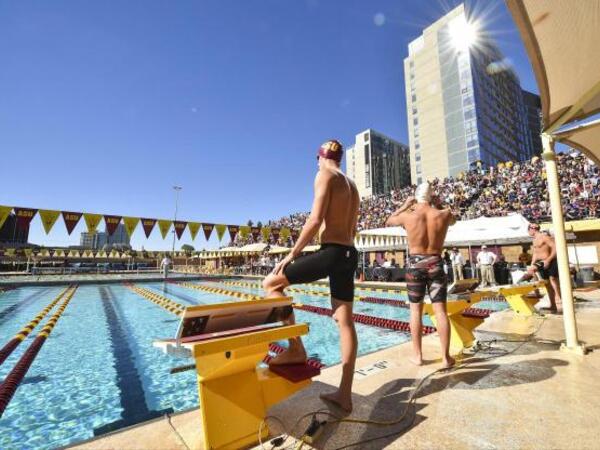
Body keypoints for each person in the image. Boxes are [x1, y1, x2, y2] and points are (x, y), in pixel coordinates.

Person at [262, 139, 360, 412]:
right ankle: (344, 394)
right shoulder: (352, 186)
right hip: (349, 254)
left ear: (319, 157)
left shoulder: (324, 175)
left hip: (331, 252)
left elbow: (315, 219)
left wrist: (292, 254)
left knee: (271, 283)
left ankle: (295, 349)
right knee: (345, 322)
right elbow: (350, 228)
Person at [385, 182, 455, 369]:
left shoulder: (409, 216)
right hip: (435, 263)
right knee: (440, 311)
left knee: (415, 310)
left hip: (415, 265)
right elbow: (453, 220)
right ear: (431, 196)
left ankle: (417, 356)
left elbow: (389, 220)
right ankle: (446, 357)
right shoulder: (444, 214)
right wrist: (438, 204)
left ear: (416, 197)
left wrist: (406, 205)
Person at [528, 223, 561, 312]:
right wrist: (532, 263)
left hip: (549, 260)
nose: (528, 232)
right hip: (540, 262)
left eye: (529, 229)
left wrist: (548, 260)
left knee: (553, 279)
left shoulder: (544, 237)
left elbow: (555, 248)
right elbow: (535, 252)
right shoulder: (534, 240)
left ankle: (559, 299)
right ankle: (553, 305)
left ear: (532, 229)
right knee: (546, 284)